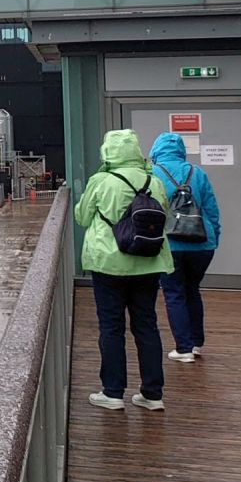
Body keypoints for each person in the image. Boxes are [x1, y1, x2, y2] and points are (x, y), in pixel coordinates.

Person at [74, 129, 174, 412]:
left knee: (111, 326)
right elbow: (162, 216)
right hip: (148, 262)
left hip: (108, 263)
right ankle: (153, 394)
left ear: (107, 152)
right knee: (146, 324)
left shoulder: (101, 180)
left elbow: (82, 217)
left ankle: (113, 392)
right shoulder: (153, 181)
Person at [150, 132, 221, 362]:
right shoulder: (197, 173)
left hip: (171, 244)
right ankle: (196, 343)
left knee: (174, 293)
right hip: (202, 243)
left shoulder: (153, 174)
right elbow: (212, 210)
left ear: (156, 150)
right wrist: (214, 238)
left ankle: (183, 348)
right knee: (192, 290)